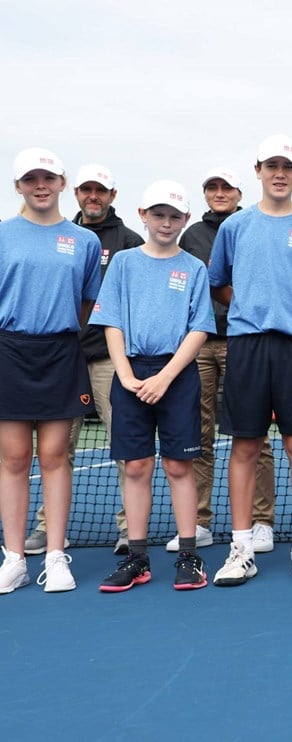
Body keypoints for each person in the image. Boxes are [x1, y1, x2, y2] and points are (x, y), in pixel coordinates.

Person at [209, 134, 292, 586]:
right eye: (272, 166)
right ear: (258, 171)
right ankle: (241, 547)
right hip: (247, 346)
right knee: (245, 445)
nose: (280, 173)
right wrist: (252, 303)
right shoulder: (235, 227)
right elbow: (220, 284)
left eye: (288, 166)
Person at [91, 180, 215, 591]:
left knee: (179, 466)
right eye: (158, 214)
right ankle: (137, 558)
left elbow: (199, 328)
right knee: (137, 465)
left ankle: (189, 555)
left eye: (174, 216)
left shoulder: (194, 268)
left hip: (177, 376)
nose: (166, 222)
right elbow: (111, 321)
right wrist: (126, 375)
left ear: (186, 220)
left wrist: (165, 377)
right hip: (131, 374)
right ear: (142, 215)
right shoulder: (124, 263)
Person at [24, 163, 142, 557]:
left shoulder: (129, 240)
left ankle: (130, 528)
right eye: (87, 189)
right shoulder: (54, 236)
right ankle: (47, 528)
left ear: (112, 195)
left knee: (125, 443)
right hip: (65, 359)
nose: (94, 196)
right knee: (56, 450)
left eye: (101, 190)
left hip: (111, 360)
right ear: (75, 191)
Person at [0, 147, 100, 593]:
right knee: (14, 458)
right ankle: (16, 558)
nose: (40, 185)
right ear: (18, 186)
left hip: (61, 351)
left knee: (56, 456)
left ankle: (57, 557)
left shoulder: (84, 241)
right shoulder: (3, 235)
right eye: (31, 178)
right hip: (9, 351)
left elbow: (85, 302)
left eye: (49, 177)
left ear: (62, 184)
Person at [172, 167, 277, 553]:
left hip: (241, 343)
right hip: (198, 346)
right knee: (197, 434)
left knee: (253, 434)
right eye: (212, 187)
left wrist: (243, 308)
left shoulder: (253, 225)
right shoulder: (192, 235)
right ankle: (200, 521)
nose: (219, 193)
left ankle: (261, 520)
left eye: (226, 188)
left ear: (238, 192)